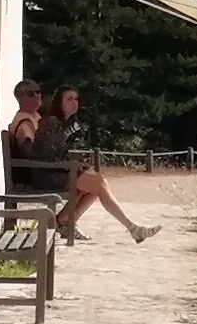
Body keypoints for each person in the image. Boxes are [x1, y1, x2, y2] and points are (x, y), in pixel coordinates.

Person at [45, 88, 152, 242]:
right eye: (69, 99)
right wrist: (72, 165)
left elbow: (58, 153)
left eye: (76, 98)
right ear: (59, 103)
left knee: (98, 185)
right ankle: (133, 228)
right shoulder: (52, 123)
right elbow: (47, 154)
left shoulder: (64, 123)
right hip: (48, 174)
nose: (74, 102)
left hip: (56, 170)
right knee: (99, 184)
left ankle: (65, 222)